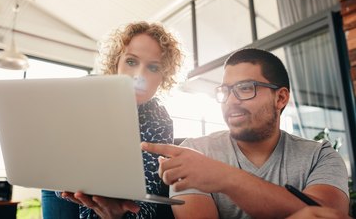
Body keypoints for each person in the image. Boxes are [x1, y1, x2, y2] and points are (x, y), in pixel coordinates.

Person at [141, 48, 350, 218]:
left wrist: (224, 177)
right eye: (225, 91)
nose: (231, 101)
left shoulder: (319, 156)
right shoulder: (195, 151)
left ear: (281, 98)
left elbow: (328, 215)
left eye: (246, 88)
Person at [41, 21, 183, 219]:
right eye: (131, 62)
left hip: (120, 199)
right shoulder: (84, 95)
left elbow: (146, 195)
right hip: (68, 193)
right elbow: (57, 163)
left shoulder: (159, 119)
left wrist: (118, 216)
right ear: (116, 63)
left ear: (163, 77)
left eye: (153, 67)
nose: (139, 76)